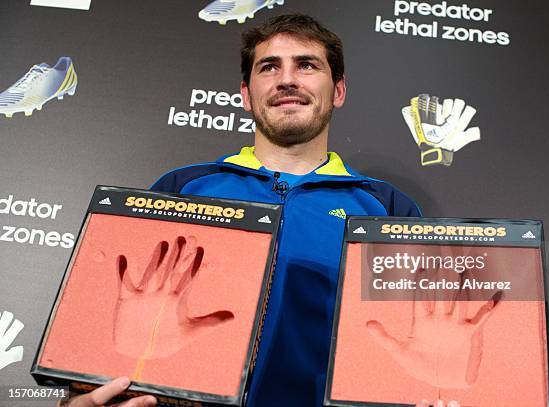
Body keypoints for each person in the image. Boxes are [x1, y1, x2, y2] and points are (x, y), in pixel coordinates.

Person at [63, 14, 458, 407]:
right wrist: (87, 388)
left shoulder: (386, 209)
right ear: (246, 94)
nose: (287, 79)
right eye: (269, 67)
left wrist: (431, 387)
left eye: (306, 65)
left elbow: (406, 344)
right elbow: (113, 315)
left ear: (338, 91)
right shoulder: (183, 188)